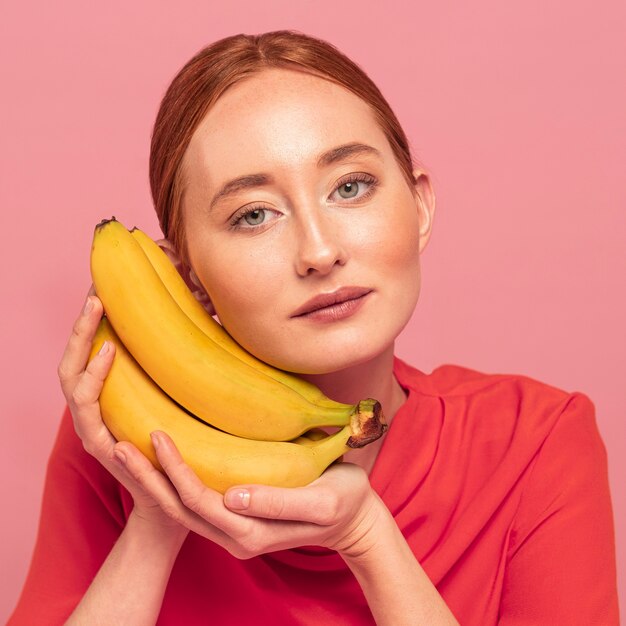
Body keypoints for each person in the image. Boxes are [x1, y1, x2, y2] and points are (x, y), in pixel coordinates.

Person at [9, 30, 619, 625]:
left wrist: (366, 537)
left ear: (421, 205)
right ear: (187, 277)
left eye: (350, 186)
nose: (319, 251)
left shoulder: (535, 440)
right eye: (254, 215)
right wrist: (156, 520)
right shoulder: (122, 436)